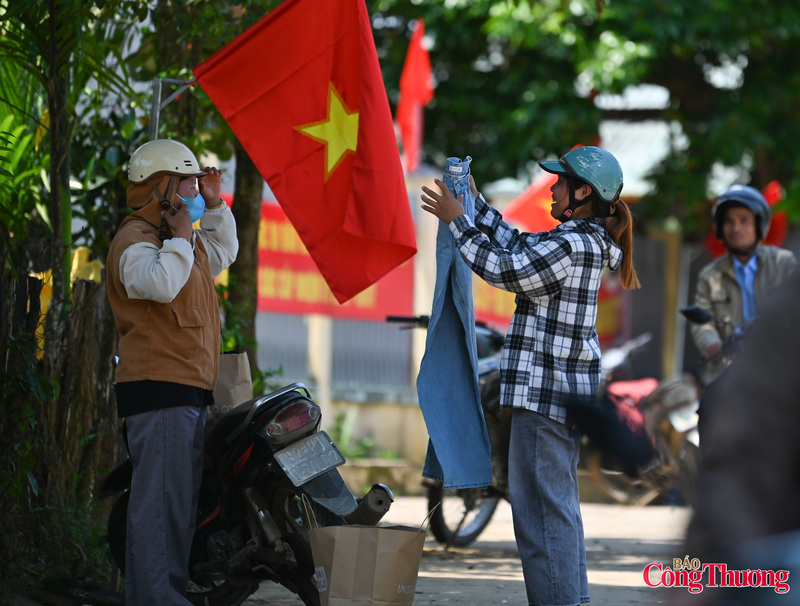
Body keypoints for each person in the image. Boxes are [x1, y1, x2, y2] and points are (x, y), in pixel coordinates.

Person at [421, 145, 639, 606]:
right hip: (558, 398)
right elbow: (518, 244)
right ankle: (571, 599)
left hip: (544, 398)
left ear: (583, 193)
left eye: (560, 182)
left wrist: (459, 223)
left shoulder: (573, 245)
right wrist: (474, 204)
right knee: (556, 510)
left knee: (540, 516)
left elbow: (506, 269)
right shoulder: (579, 240)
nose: (552, 189)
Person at [106, 139, 238, 605]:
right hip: (158, 390)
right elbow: (160, 284)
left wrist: (214, 206)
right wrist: (181, 237)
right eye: (188, 184)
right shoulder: (135, 240)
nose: (195, 192)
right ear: (160, 186)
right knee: (161, 511)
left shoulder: (180, 239)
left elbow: (221, 253)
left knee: (175, 509)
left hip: (184, 389)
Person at [689, 184, 796, 384]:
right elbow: (702, 323)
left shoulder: (783, 265)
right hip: (728, 375)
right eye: (729, 221)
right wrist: (712, 343)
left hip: (776, 373)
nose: (736, 228)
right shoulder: (710, 275)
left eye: (744, 221)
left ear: (759, 225)